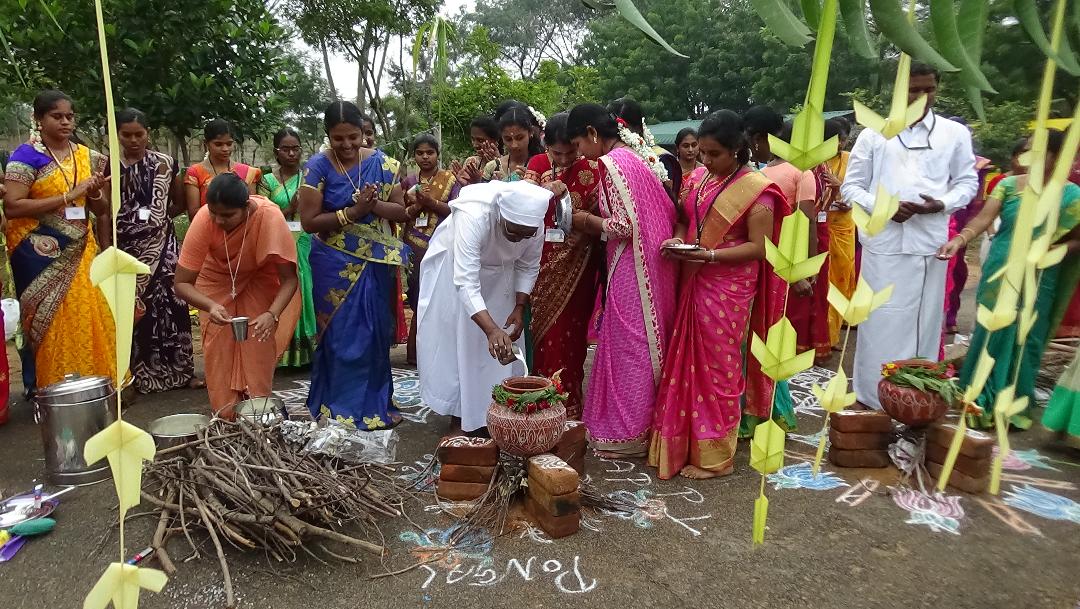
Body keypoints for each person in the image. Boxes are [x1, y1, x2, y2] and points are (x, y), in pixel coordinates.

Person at [648, 110, 786, 480]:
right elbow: (684, 218)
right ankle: (683, 444)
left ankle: (716, 457)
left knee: (719, 368)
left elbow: (759, 248)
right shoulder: (699, 178)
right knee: (687, 363)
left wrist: (709, 255)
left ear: (737, 150)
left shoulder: (758, 190)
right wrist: (678, 239)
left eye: (714, 154)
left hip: (728, 287)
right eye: (703, 153)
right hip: (693, 275)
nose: (705, 160)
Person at [841, 62, 979, 410]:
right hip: (883, 244)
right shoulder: (873, 135)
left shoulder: (953, 134)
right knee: (879, 321)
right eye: (913, 90)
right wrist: (883, 207)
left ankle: (917, 400)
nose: (921, 96)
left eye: (928, 89)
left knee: (924, 323)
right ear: (898, 90)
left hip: (929, 245)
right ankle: (874, 397)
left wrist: (941, 204)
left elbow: (967, 183)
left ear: (937, 89)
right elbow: (851, 188)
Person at [938, 129, 1080, 429]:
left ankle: (1013, 406)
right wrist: (960, 240)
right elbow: (983, 219)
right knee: (990, 331)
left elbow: (1077, 240)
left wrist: (1052, 250)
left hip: (1040, 276)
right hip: (1000, 271)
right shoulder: (1008, 185)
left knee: (1027, 338)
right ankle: (977, 398)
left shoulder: (1072, 196)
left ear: (1057, 156)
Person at [567, 103, 678, 457]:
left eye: (579, 144)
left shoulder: (611, 164)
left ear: (592, 133)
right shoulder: (633, 157)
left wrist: (586, 221)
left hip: (631, 267)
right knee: (641, 344)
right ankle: (643, 427)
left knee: (629, 346)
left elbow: (623, 225)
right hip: (650, 264)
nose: (579, 153)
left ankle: (627, 431)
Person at [299, 101, 409, 429]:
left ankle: (374, 407)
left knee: (373, 333)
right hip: (332, 262)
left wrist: (373, 207)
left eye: (353, 137)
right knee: (339, 335)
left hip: (374, 264)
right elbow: (309, 221)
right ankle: (336, 406)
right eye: (338, 138)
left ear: (363, 132)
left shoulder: (384, 164)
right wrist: (353, 213)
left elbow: (401, 211)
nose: (347, 144)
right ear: (328, 135)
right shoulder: (317, 167)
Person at [416, 180, 551, 434]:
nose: (518, 240)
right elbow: (466, 282)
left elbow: (528, 265)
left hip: (502, 278)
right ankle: (461, 416)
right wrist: (491, 330)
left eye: (525, 235)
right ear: (501, 216)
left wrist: (519, 307)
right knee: (463, 343)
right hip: (456, 273)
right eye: (514, 233)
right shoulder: (474, 216)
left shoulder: (533, 223)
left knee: (502, 347)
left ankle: (495, 411)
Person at [3, 90, 116, 392]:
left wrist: (93, 192)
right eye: (57, 116)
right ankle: (55, 391)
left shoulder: (86, 156)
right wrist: (69, 196)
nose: (66, 122)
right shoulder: (25, 157)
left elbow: (101, 209)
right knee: (53, 325)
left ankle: (96, 388)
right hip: (39, 255)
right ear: (38, 119)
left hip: (81, 251)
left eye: (69, 116)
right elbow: (12, 206)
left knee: (89, 317)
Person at [174, 173, 299, 418]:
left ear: (246, 207)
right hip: (215, 282)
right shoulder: (204, 219)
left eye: (227, 215)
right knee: (219, 352)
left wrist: (272, 314)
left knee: (258, 346)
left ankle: (258, 413)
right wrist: (210, 306)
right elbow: (181, 283)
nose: (218, 220)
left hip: (259, 281)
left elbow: (289, 279)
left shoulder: (268, 217)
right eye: (214, 213)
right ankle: (226, 416)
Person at [524, 112, 603, 420]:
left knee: (571, 335)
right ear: (546, 145)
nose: (566, 159)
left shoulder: (592, 168)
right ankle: (540, 403)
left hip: (578, 266)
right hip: (540, 263)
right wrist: (545, 190)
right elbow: (522, 204)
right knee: (542, 335)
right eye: (558, 153)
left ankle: (568, 407)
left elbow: (603, 213)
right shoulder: (537, 165)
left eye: (571, 152)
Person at [114, 108, 197, 393]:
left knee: (174, 305)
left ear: (147, 133)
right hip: (126, 250)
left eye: (139, 134)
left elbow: (179, 202)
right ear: (117, 135)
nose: (133, 140)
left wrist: (157, 223)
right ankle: (139, 375)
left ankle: (181, 372)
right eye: (127, 135)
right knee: (137, 310)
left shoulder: (165, 163)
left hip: (163, 246)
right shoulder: (108, 166)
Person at [258, 128, 316, 368]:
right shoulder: (267, 181)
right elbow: (262, 216)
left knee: (307, 291)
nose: (291, 154)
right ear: (276, 152)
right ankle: (282, 351)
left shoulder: (311, 177)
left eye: (295, 149)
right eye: (286, 149)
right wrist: (289, 209)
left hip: (306, 242)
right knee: (282, 290)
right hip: (279, 243)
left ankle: (308, 353)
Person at [401, 133, 460, 364]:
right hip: (413, 246)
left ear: (437, 154)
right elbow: (400, 213)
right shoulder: (408, 182)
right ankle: (416, 354)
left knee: (439, 297)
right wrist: (417, 205)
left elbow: (455, 210)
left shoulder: (450, 179)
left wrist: (431, 203)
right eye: (420, 153)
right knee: (417, 297)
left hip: (440, 244)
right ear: (414, 156)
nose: (425, 157)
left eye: (430, 152)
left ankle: (438, 353)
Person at [608, 97, 682, 205]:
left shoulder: (660, 160)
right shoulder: (609, 159)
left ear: (638, 128)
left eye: (621, 130)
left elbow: (666, 203)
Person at [823, 118, 857, 347]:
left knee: (841, 280)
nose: (839, 145)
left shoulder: (852, 160)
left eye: (842, 140)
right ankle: (822, 336)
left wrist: (843, 191)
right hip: (821, 227)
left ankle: (833, 334)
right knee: (823, 282)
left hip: (844, 226)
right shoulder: (814, 161)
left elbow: (862, 189)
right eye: (834, 140)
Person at [184, 119, 262, 217]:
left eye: (229, 144)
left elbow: (251, 209)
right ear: (206, 144)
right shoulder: (195, 173)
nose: (225, 149)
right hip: (207, 225)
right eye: (218, 144)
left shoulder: (248, 173)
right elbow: (193, 213)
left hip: (242, 226)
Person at [484, 105, 543, 182]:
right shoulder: (492, 167)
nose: (514, 145)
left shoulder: (542, 165)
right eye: (508, 139)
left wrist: (533, 182)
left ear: (530, 133)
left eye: (520, 138)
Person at [454, 115, 500, 187]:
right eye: (473, 139)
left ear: (494, 141)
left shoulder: (505, 164)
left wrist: (497, 164)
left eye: (480, 140)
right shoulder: (471, 162)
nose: (475, 145)